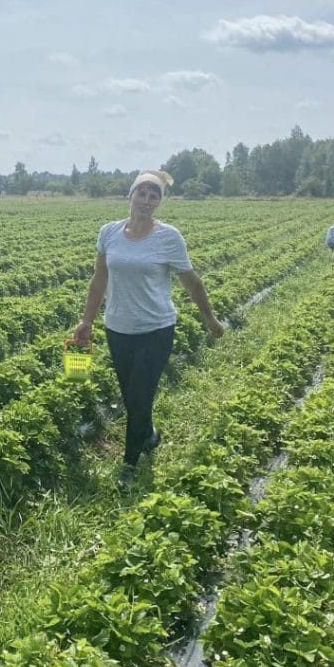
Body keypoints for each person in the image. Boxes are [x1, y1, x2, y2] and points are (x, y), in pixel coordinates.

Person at [73, 169, 225, 489]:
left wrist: (209, 318)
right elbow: (99, 279)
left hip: (156, 329)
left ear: (159, 202)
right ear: (130, 195)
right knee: (132, 397)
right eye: (141, 193)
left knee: (140, 396)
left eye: (153, 195)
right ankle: (149, 435)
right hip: (118, 329)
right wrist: (86, 320)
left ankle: (129, 464)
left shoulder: (169, 237)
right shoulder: (109, 232)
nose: (146, 199)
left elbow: (192, 283)